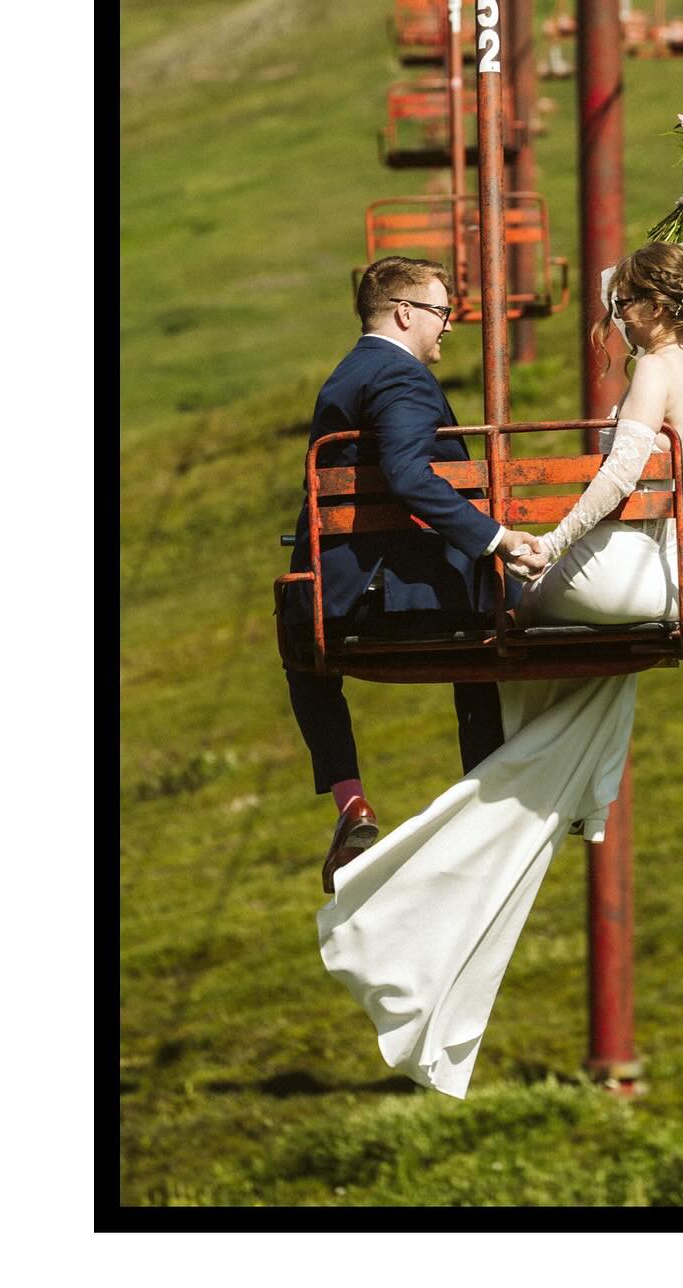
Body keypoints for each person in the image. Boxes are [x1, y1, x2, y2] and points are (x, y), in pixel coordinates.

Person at [317, 190, 683, 1095]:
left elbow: (616, 475)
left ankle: (509, 769)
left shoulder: (650, 372)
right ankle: (574, 790)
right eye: (442, 312)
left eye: (623, 306)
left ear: (652, 306)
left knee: (503, 608)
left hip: (610, 570)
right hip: (678, 575)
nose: (616, 323)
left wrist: (532, 542)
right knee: (593, 659)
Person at [282, 254, 542, 893]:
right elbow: (406, 474)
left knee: (297, 643)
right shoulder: (403, 380)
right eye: (441, 311)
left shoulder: (346, 374)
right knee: (481, 632)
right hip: (403, 600)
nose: (449, 325)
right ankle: (487, 790)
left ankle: (350, 798)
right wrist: (497, 538)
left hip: (334, 597)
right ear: (405, 313)